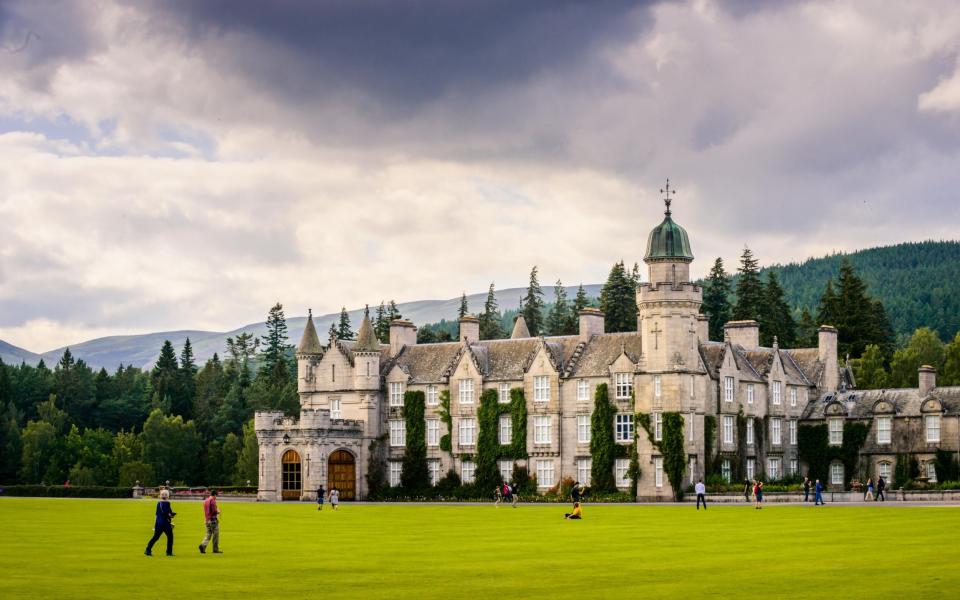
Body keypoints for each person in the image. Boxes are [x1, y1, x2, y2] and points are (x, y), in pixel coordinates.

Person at [145, 489, 176, 556]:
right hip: (165, 523)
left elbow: (157, 514)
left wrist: (154, 525)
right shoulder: (167, 503)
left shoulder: (158, 503)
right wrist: (171, 515)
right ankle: (169, 552)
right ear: (168, 496)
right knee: (170, 537)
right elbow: (167, 513)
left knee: (155, 537)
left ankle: (148, 549)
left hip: (158, 523)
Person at [198, 489, 222, 554]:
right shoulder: (213, 501)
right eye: (216, 496)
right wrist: (218, 511)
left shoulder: (206, 500)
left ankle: (203, 545)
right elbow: (214, 511)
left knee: (208, 534)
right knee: (216, 535)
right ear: (214, 495)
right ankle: (215, 549)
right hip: (213, 520)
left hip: (207, 520)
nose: (216, 497)